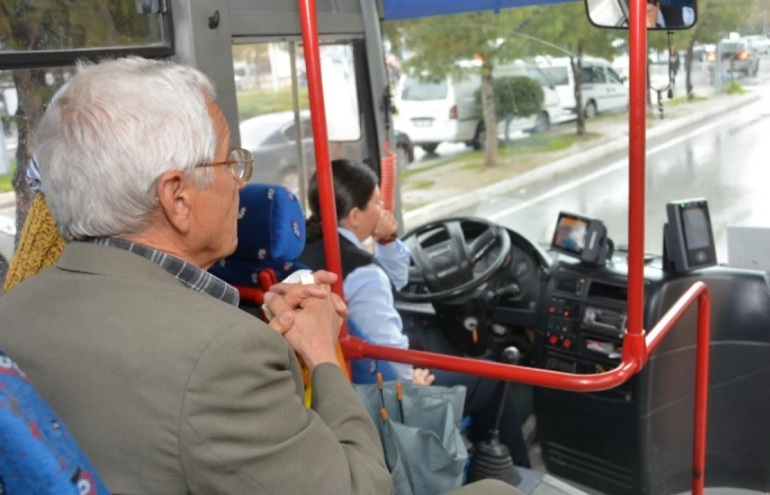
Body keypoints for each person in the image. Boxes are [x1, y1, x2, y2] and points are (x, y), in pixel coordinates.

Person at [0, 57, 521, 495]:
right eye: (231, 162)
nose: (240, 183)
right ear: (177, 197)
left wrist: (271, 360)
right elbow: (360, 487)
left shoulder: (14, 312)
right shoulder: (223, 354)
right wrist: (321, 355)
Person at [298, 159, 532, 468]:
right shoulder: (363, 275)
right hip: (381, 390)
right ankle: (510, 471)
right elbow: (387, 349)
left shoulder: (303, 250)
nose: (384, 210)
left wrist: (386, 240)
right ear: (355, 216)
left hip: (331, 382)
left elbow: (396, 281)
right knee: (492, 378)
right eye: (377, 203)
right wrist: (411, 388)